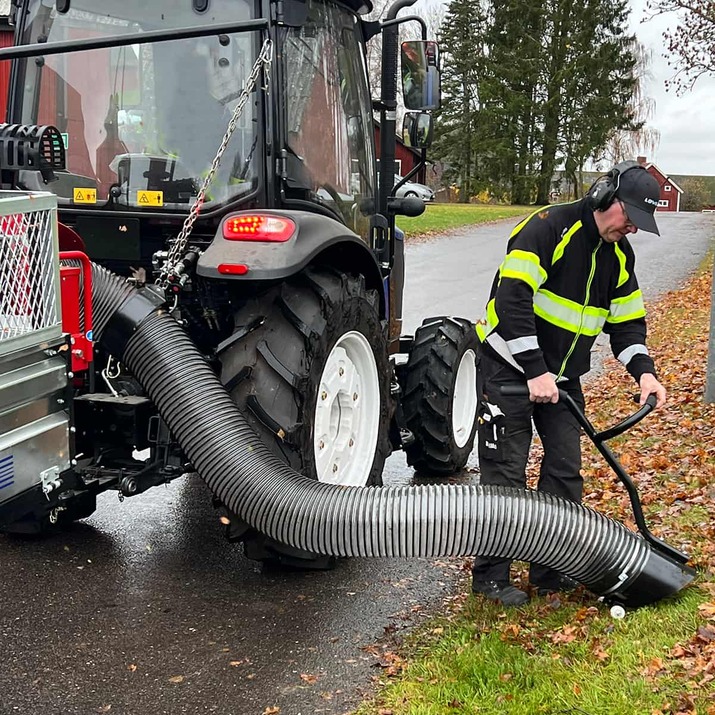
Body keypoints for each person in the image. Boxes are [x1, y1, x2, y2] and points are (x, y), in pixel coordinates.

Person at [472, 161, 667, 606]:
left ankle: (549, 574)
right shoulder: (546, 228)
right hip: (508, 368)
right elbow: (512, 300)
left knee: (565, 471)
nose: (633, 229)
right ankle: (490, 580)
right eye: (631, 217)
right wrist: (535, 370)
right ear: (606, 197)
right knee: (505, 474)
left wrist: (646, 372)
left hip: (561, 378)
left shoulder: (618, 257)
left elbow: (627, 323)